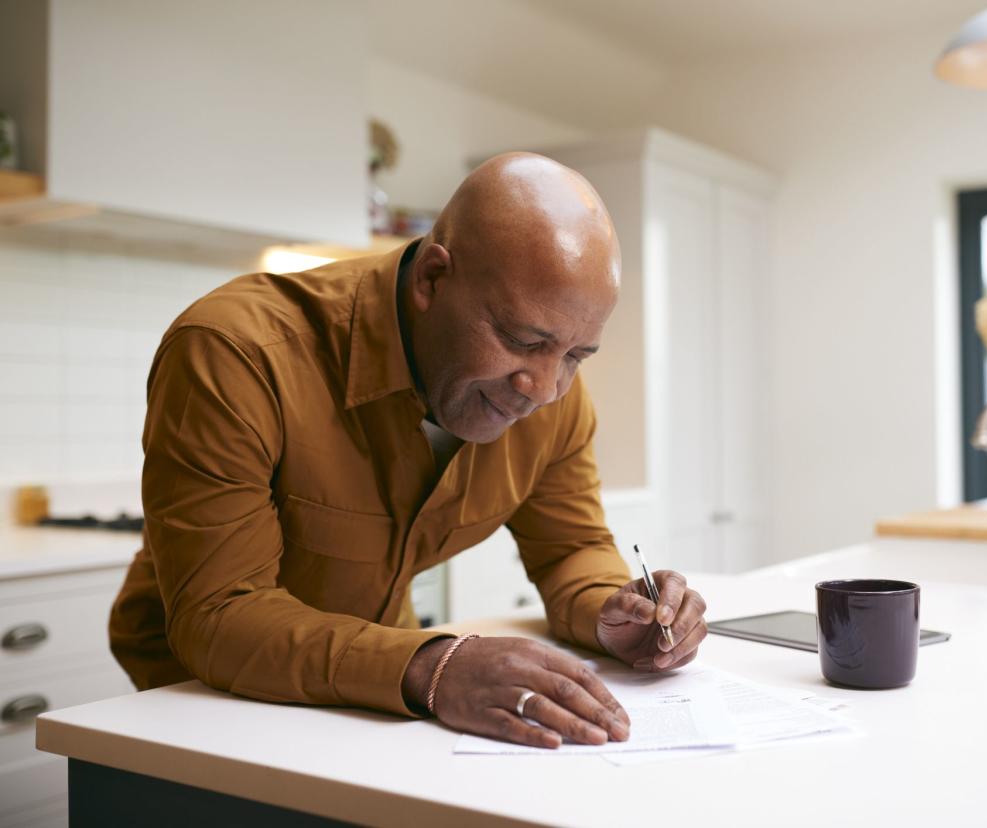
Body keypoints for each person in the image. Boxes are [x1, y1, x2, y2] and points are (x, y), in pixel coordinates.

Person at [108, 153, 708, 750]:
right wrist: (436, 666)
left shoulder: (552, 398)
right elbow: (219, 614)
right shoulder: (238, 352)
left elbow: (569, 549)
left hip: (375, 692)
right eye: (523, 340)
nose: (544, 389)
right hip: (196, 701)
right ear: (431, 280)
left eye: (576, 356)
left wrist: (616, 615)